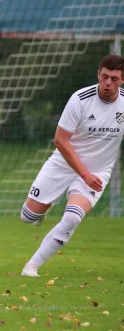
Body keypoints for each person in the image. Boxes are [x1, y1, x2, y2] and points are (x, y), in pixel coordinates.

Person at [20, 55, 124, 277]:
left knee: (73, 217)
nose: (108, 83)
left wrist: (88, 175)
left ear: (122, 80)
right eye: (104, 77)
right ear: (98, 74)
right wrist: (83, 174)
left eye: (114, 79)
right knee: (27, 216)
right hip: (63, 164)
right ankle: (43, 210)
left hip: (96, 172)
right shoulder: (80, 99)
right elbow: (60, 140)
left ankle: (31, 266)